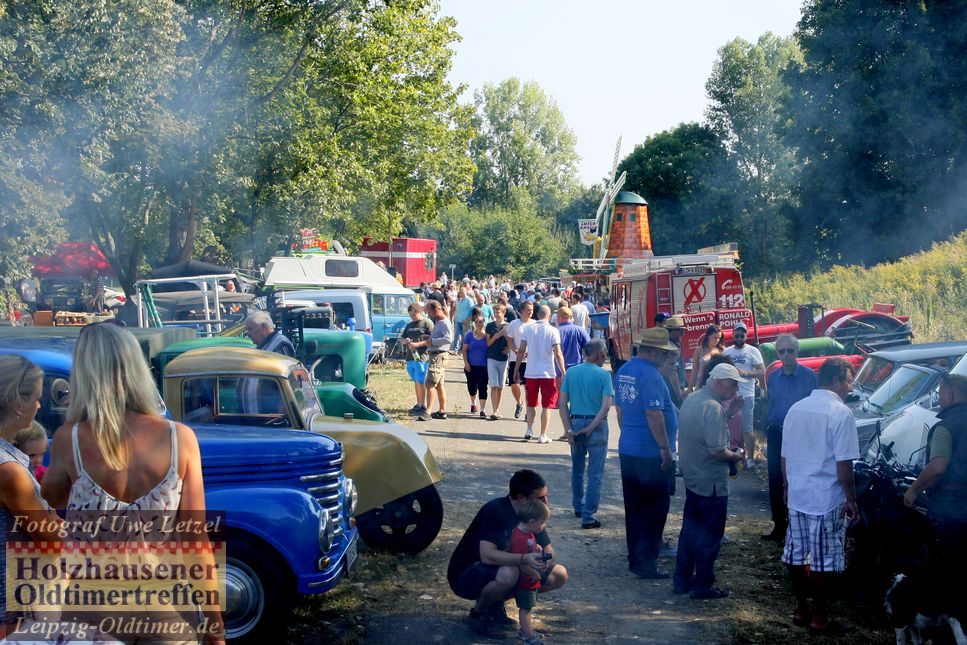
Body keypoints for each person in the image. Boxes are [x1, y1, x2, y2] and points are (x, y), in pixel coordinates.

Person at [41, 323, 224, 643]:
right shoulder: (179, 438)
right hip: (164, 605)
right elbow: (196, 543)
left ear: (83, 375)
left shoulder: (69, 439)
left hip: (90, 607)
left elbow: (53, 497)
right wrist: (215, 627)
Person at [780, 358, 858, 634]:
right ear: (836, 381)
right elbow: (844, 466)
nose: (851, 387)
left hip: (799, 493)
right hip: (826, 497)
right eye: (849, 381)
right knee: (824, 559)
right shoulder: (841, 413)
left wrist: (788, 486)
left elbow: (784, 455)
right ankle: (819, 615)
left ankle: (802, 608)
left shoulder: (796, 409)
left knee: (796, 553)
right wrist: (851, 499)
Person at [447, 469, 568, 639]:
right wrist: (524, 559)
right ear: (521, 498)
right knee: (509, 573)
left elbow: (549, 550)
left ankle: (495, 605)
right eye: (540, 498)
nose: (546, 502)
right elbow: (487, 555)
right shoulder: (496, 511)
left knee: (558, 574)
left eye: (546, 496)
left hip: (506, 569)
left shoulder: (532, 514)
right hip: (466, 574)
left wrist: (543, 561)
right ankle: (478, 616)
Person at [0, 356, 64, 640]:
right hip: (16, 615)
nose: (39, 406)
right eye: (36, 398)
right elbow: (52, 537)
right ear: (17, 401)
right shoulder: (8, 470)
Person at [673, 363, 748, 599]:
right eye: (733, 384)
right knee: (709, 536)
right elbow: (717, 450)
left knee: (690, 532)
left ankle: (682, 579)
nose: (735, 390)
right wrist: (738, 456)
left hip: (694, 478)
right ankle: (703, 584)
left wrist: (730, 412)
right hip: (711, 482)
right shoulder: (713, 407)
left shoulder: (695, 399)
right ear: (719, 382)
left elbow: (705, 429)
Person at [615, 327, 679, 579]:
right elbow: (654, 414)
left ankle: (636, 558)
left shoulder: (625, 370)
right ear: (650, 351)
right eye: (663, 353)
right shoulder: (651, 375)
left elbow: (620, 410)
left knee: (635, 507)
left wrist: (629, 434)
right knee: (655, 508)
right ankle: (647, 562)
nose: (666, 358)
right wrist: (663, 447)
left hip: (629, 448)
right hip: (649, 453)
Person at [902, 373, 967, 623]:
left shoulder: (945, 426)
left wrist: (913, 490)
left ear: (949, 396)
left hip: (952, 513)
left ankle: (950, 620)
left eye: (940, 394)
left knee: (949, 570)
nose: (939, 399)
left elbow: (938, 466)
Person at [762, 334, 817, 542]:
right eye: (781, 351)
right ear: (777, 353)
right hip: (776, 432)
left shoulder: (809, 377)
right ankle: (779, 525)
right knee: (775, 478)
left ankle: (798, 526)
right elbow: (771, 403)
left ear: (797, 351)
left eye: (790, 351)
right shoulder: (773, 376)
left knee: (797, 478)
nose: (786, 355)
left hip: (799, 435)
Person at [559, 339, 614, 529]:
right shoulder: (604, 375)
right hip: (596, 425)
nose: (606, 355)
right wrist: (591, 428)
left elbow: (562, 403)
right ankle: (589, 515)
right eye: (605, 352)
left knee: (577, 468)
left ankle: (578, 506)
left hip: (575, 420)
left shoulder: (571, 372)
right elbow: (606, 406)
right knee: (595, 473)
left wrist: (569, 430)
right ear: (598, 354)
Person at [515, 305, 566, 444]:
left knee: (531, 403)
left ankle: (529, 429)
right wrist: (563, 372)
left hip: (531, 372)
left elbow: (521, 351)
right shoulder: (553, 331)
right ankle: (543, 434)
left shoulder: (528, 329)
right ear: (549, 316)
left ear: (537, 315)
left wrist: (516, 369)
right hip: (548, 373)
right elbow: (558, 353)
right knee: (547, 405)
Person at [508, 499, 551, 645]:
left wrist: (537, 548)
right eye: (542, 522)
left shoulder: (528, 533)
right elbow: (520, 562)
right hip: (525, 580)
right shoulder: (519, 537)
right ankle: (527, 635)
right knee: (525, 609)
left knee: (529, 607)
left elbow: (529, 548)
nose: (544, 525)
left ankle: (527, 632)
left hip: (530, 580)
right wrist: (534, 573)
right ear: (532, 521)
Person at [722, 322, 765, 469]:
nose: (739, 337)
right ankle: (732, 457)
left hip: (747, 394)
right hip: (729, 395)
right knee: (728, 427)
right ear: (733, 334)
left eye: (742, 335)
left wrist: (746, 373)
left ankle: (750, 459)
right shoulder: (726, 352)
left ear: (746, 336)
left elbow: (762, 371)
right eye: (737, 334)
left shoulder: (753, 351)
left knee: (747, 428)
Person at [410, 300, 453, 421]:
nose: (428, 314)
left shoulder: (444, 322)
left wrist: (431, 341)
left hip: (439, 356)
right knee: (439, 384)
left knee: (429, 383)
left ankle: (428, 411)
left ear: (436, 310)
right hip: (435, 354)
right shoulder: (439, 322)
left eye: (429, 311)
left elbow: (448, 339)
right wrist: (430, 337)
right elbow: (440, 338)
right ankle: (442, 410)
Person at [401, 303, 434, 416]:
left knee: (421, 381)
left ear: (419, 312)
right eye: (410, 315)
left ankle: (422, 404)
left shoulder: (427, 323)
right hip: (411, 357)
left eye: (414, 314)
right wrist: (405, 341)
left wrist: (418, 344)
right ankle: (419, 403)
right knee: (416, 381)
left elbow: (432, 340)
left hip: (422, 357)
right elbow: (401, 338)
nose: (412, 317)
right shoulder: (409, 325)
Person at [506, 301, 535, 420]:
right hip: (515, 359)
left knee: (528, 387)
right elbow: (509, 339)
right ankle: (519, 403)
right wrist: (515, 350)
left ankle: (529, 411)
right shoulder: (514, 324)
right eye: (528, 309)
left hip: (530, 361)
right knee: (515, 385)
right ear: (521, 310)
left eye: (532, 310)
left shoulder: (534, 324)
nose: (530, 312)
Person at [485, 303, 510, 420]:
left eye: (498, 312)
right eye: (494, 312)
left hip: (503, 359)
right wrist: (496, 336)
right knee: (493, 385)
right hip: (491, 357)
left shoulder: (508, 326)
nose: (496, 314)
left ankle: (497, 409)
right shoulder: (489, 326)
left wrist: (509, 349)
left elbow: (512, 341)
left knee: (500, 386)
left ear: (503, 313)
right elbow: (488, 343)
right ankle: (494, 411)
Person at [462, 312, 490, 418]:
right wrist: (466, 363)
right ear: (474, 323)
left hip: (484, 366)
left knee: (483, 387)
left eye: (481, 322)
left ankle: (482, 410)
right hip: (471, 365)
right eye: (477, 322)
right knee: (472, 387)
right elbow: (464, 350)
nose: (479, 324)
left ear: (484, 322)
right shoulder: (469, 335)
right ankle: (473, 403)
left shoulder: (487, 336)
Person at [660, 315, 687, 405]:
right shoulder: (671, 348)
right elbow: (673, 374)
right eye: (680, 331)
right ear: (671, 331)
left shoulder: (669, 344)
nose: (682, 334)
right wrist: (679, 396)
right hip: (673, 391)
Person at [689, 325, 725, 391]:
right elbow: (695, 371)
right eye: (714, 337)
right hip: (701, 385)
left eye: (719, 338)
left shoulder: (721, 350)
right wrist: (690, 387)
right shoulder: (699, 350)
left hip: (716, 386)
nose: (717, 340)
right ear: (708, 336)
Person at [556, 306, 590, 371]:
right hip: (577, 368)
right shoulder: (580, 330)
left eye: (557, 317)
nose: (557, 319)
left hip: (560, 369)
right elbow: (590, 347)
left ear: (561, 317)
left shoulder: (556, 332)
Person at [451, 286, 474, 352]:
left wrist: (468, 320)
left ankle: (466, 349)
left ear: (465, 292)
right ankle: (456, 349)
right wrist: (453, 317)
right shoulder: (459, 300)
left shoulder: (469, 300)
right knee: (456, 334)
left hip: (465, 321)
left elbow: (472, 310)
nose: (460, 293)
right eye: (460, 292)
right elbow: (456, 309)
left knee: (465, 335)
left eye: (462, 292)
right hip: (458, 320)